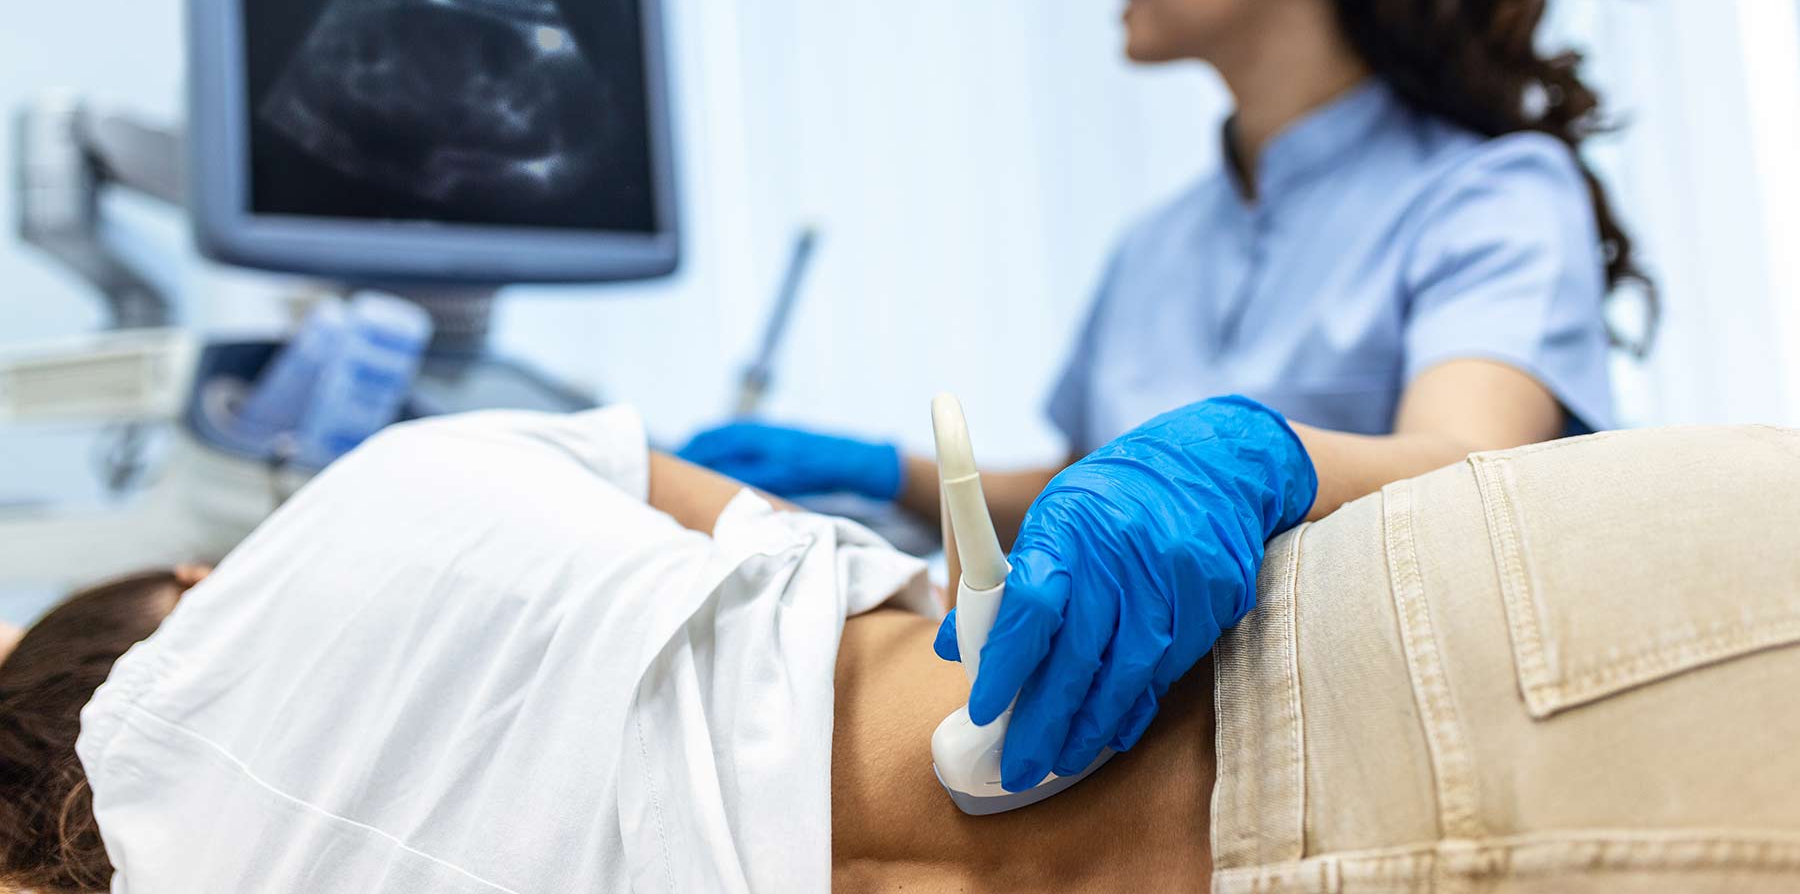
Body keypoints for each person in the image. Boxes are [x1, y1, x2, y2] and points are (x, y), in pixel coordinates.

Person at [682, 0, 1652, 793]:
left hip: (1365, 773)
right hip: (1118, 768)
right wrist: (895, 476)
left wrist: (1262, 459)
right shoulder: (1157, 247)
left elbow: (1468, 469)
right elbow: (1104, 502)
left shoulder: (1491, 195)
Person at [4, 407, 1799, 892]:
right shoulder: (402, 483)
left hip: (1387, 686)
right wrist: (1274, 453)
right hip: (1415, 636)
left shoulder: (384, 520)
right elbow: (826, 559)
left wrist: (1257, 458)